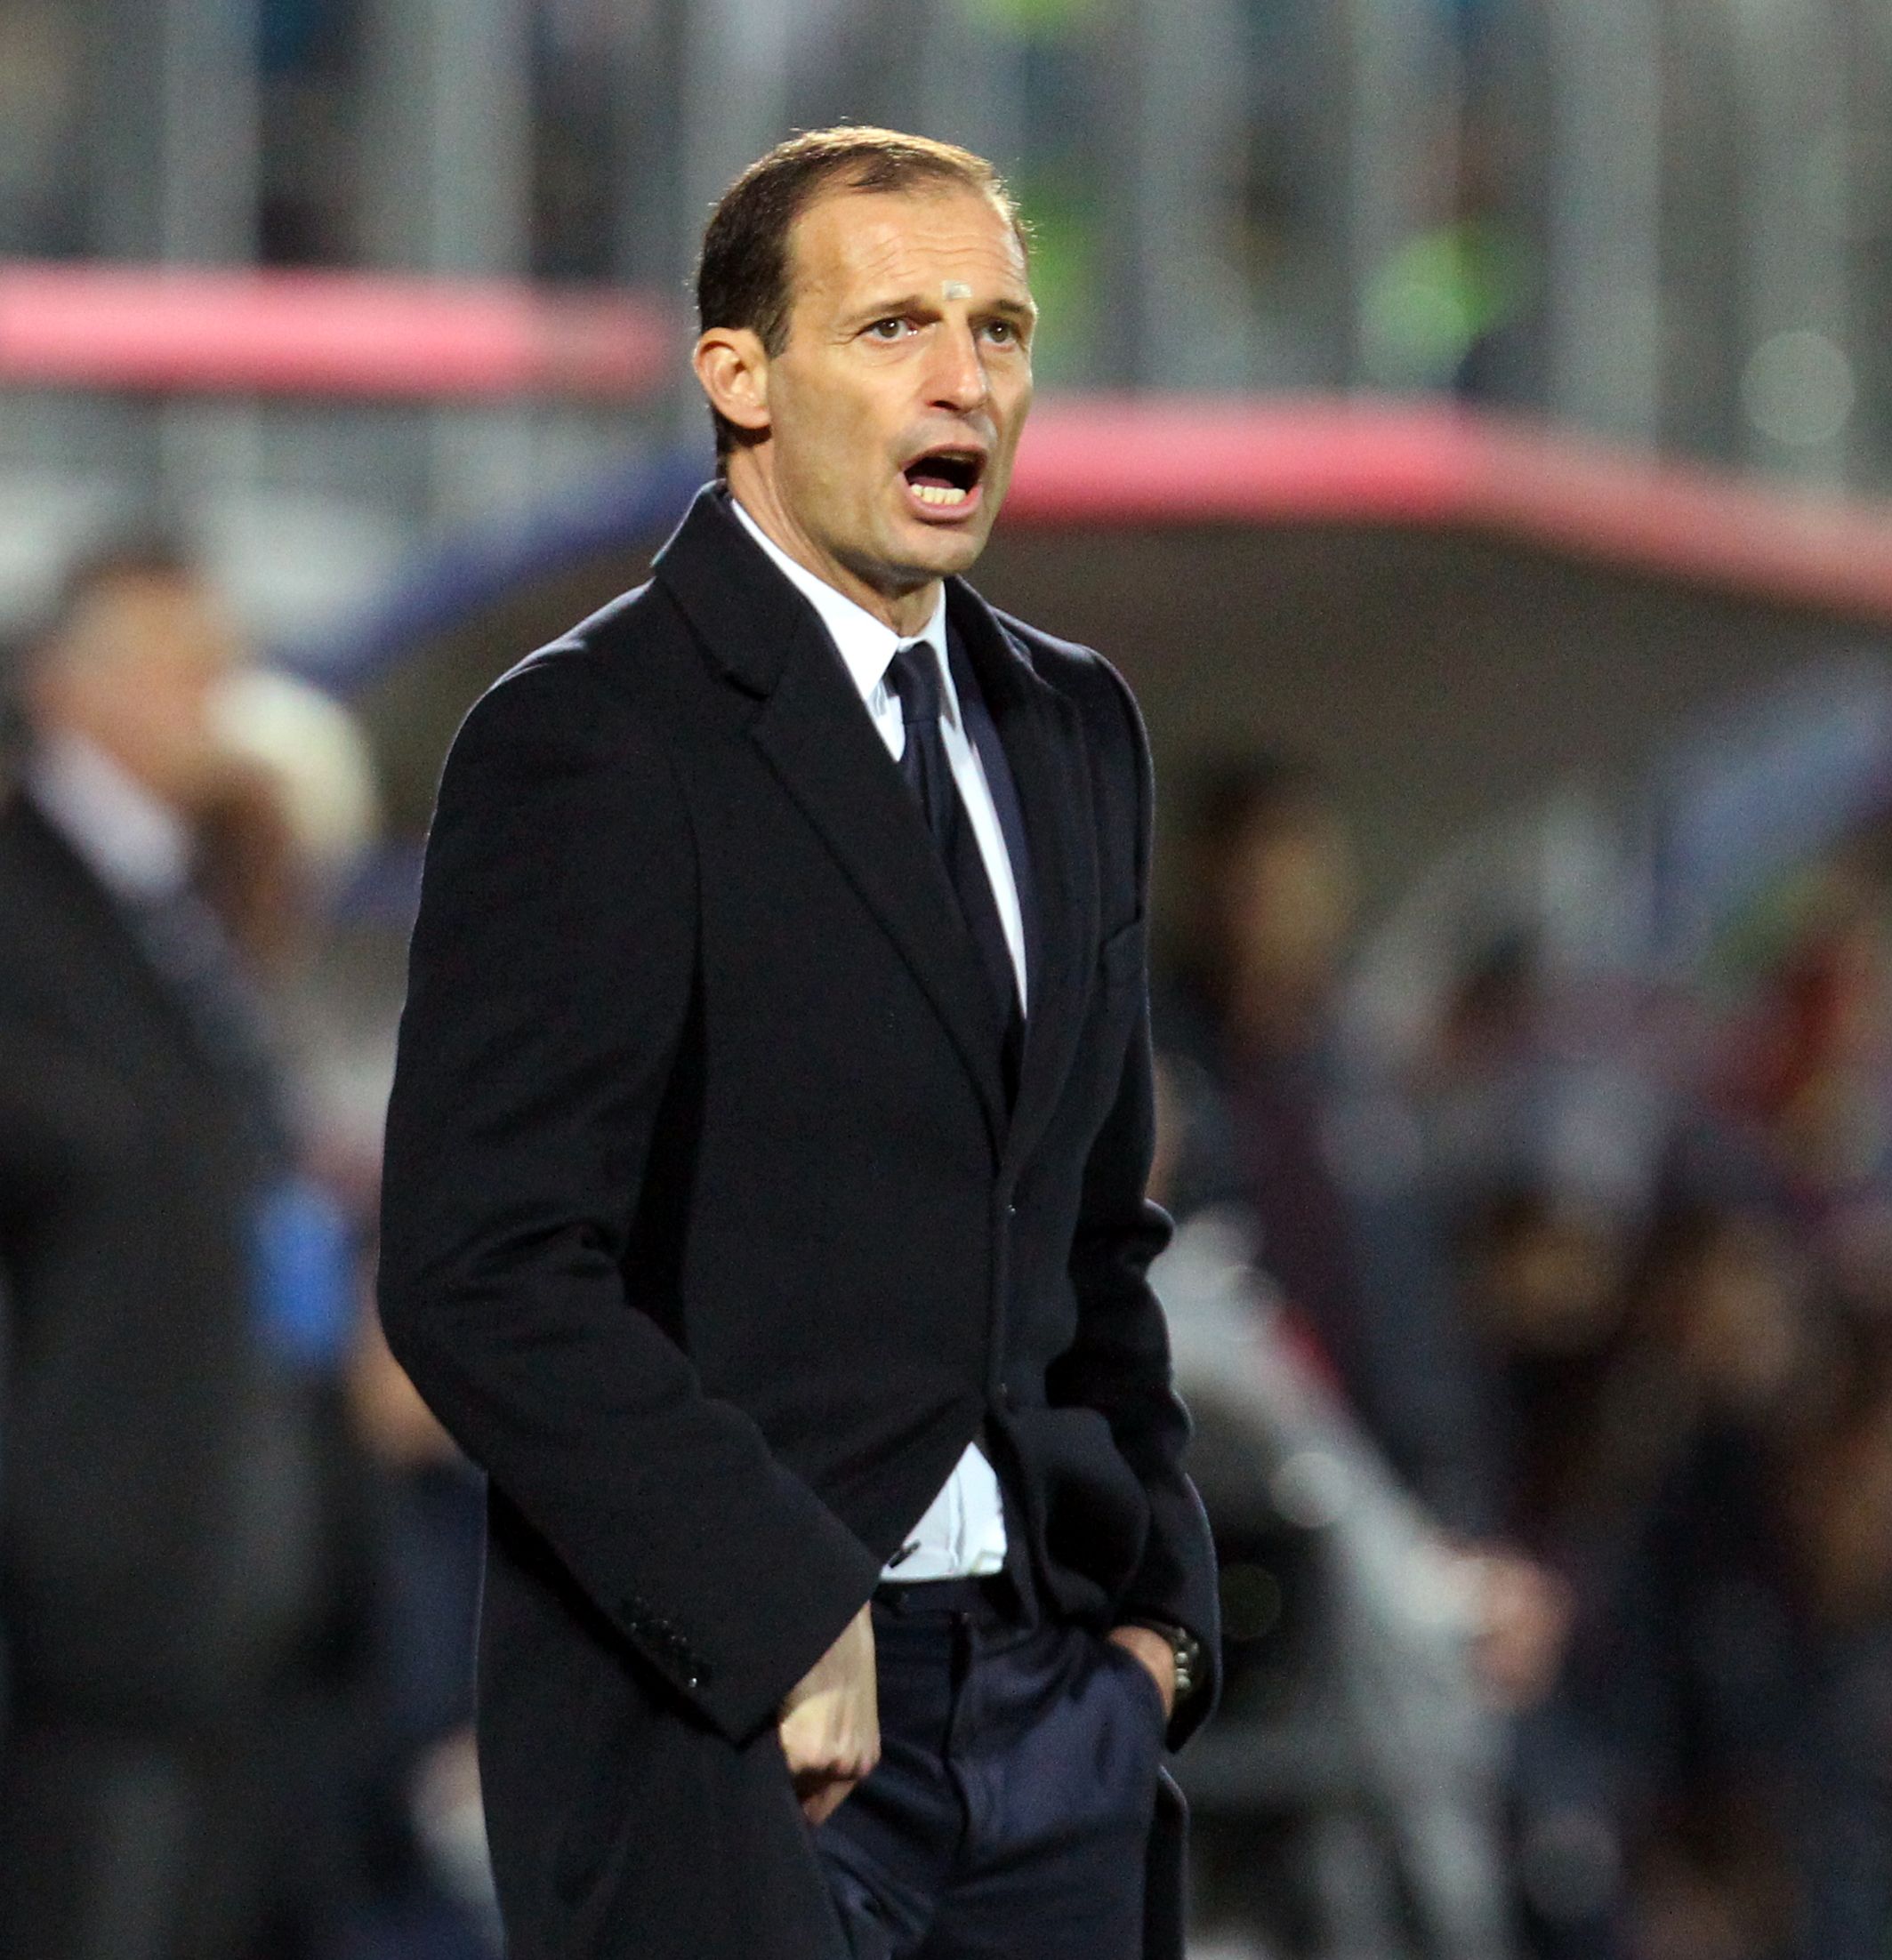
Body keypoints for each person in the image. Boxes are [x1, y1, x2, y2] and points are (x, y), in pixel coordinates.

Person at [376, 126, 1219, 1960]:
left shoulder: (1075, 732)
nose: (963, 379)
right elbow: (482, 1271)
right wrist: (773, 1603)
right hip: (749, 1730)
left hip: (1055, 1712)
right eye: (895, 326)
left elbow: (1090, 1231)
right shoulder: (596, 738)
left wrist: (1156, 1610)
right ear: (739, 376)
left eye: (1000, 330)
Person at [0, 542, 344, 1959]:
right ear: (74, 687)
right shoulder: (29, 901)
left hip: (241, 1567)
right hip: (101, 1590)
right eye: (188, 664)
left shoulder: (188, 905)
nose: (224, 699)